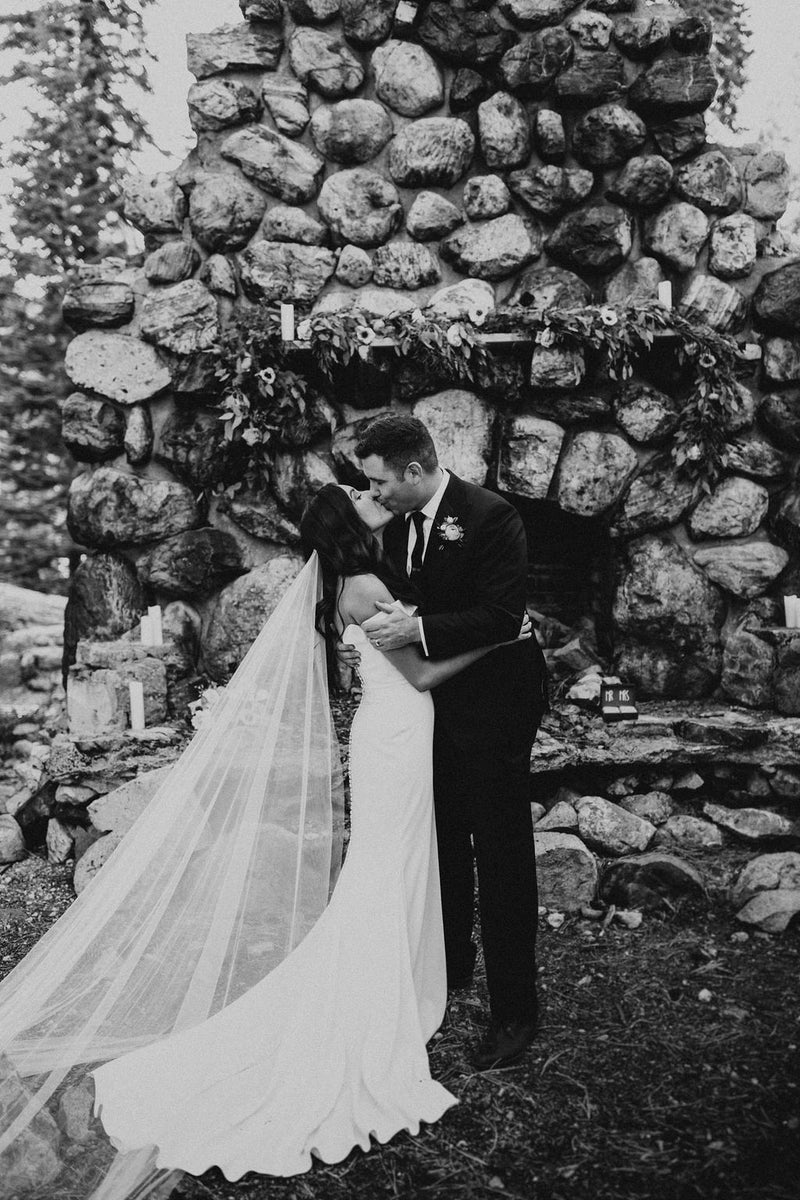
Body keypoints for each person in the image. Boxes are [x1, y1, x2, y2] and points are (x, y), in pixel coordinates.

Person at [0, 481, 529, 1200]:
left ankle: (409, 966)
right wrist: (505, 635)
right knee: (386, 864)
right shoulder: (368, 585)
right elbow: (425, 671)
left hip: (396, 736)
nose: (374, 498)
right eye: (362, 494)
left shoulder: (351, 579)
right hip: (400, 738)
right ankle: (378, 985)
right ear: (349, 522)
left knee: (394, 861)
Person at [347, 414, 549, 1071]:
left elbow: (501, 615)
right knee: (443, 845)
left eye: (380, 481)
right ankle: (451, 966)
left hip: (495, 705)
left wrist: (419, 629)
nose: (373, 493)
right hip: (425, 708)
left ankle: (516, 1013)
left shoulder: (491, 517)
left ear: (415, 470)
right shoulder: (389, 525)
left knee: (501, 852)